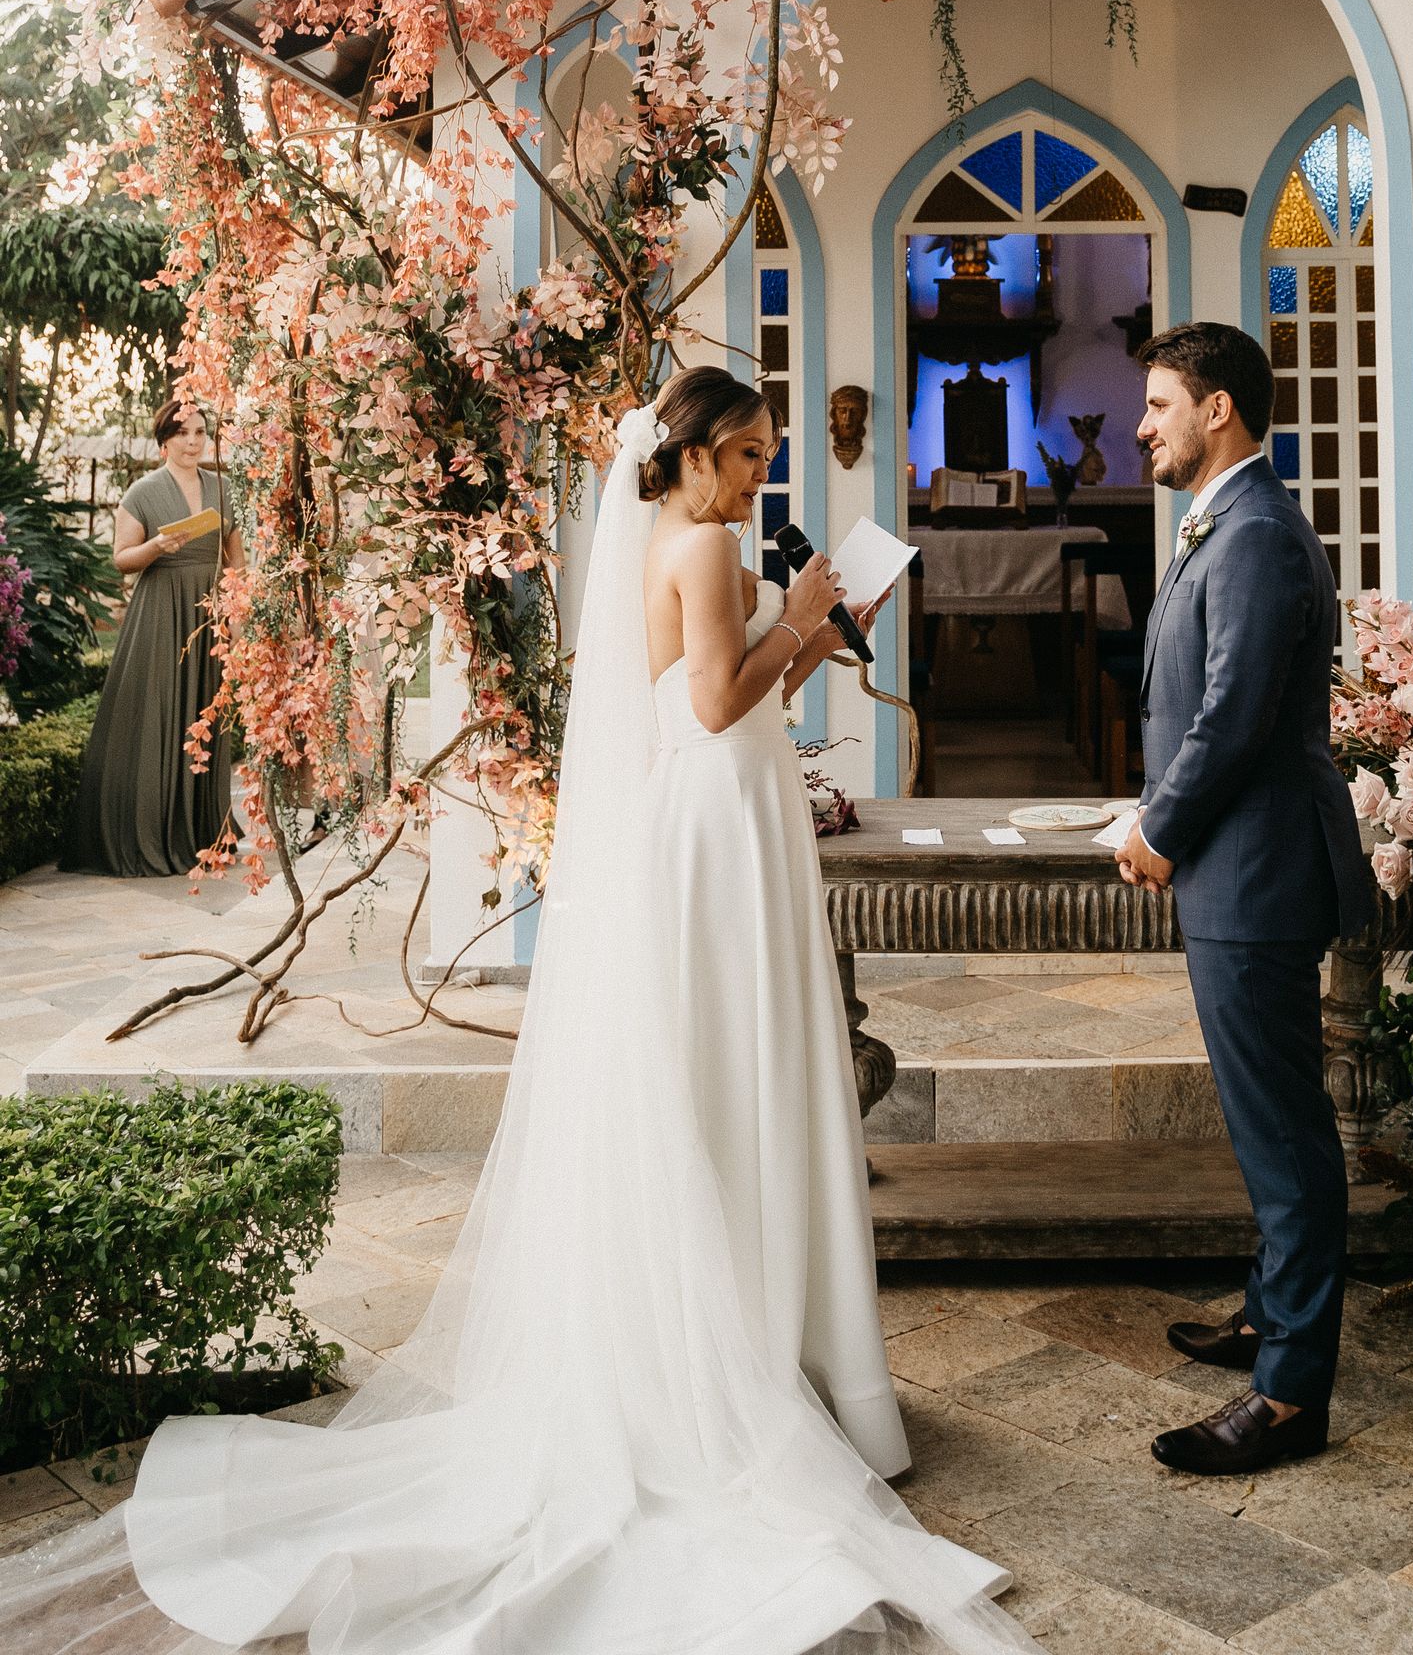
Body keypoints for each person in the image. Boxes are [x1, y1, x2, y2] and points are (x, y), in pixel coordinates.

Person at [4, 366, 1035, 1655]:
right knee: (748, 1060)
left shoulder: (686, 536)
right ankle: (753, 1367)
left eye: (770, 449)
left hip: (720, 813)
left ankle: (751, 1348)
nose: (765, 468)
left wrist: (822, 632)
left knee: (735, 1062)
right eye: (752, 450)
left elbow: (720, 692)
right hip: (719, 815)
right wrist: (812, 606)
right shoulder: (706, 543)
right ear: (697, 453)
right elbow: (714, 705)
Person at [1116, 319, 1375, 1477]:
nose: (1143, 425)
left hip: (1255, 867)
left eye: (1161, 403)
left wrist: (1162, 826)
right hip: (1239, 861)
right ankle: (1275, 1319)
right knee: (1262, 1116)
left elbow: (1238, 715)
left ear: (1218, 408)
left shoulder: (1259, 531)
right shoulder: (1227, 522)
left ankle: (1289, 1397)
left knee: (1284, 1134)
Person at [71, 399, 240, 876]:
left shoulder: (223, 489)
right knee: (156, 714)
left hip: (209, 616)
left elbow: (236, 561)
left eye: (200, 432)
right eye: (183, 432)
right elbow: (121, 559)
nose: (193, 441)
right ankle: (150, 830)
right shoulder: (142, 492)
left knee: (206, 714)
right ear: (164, 438)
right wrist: (155, 546)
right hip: (160, 613)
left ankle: (204, 834)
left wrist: (236, 614)